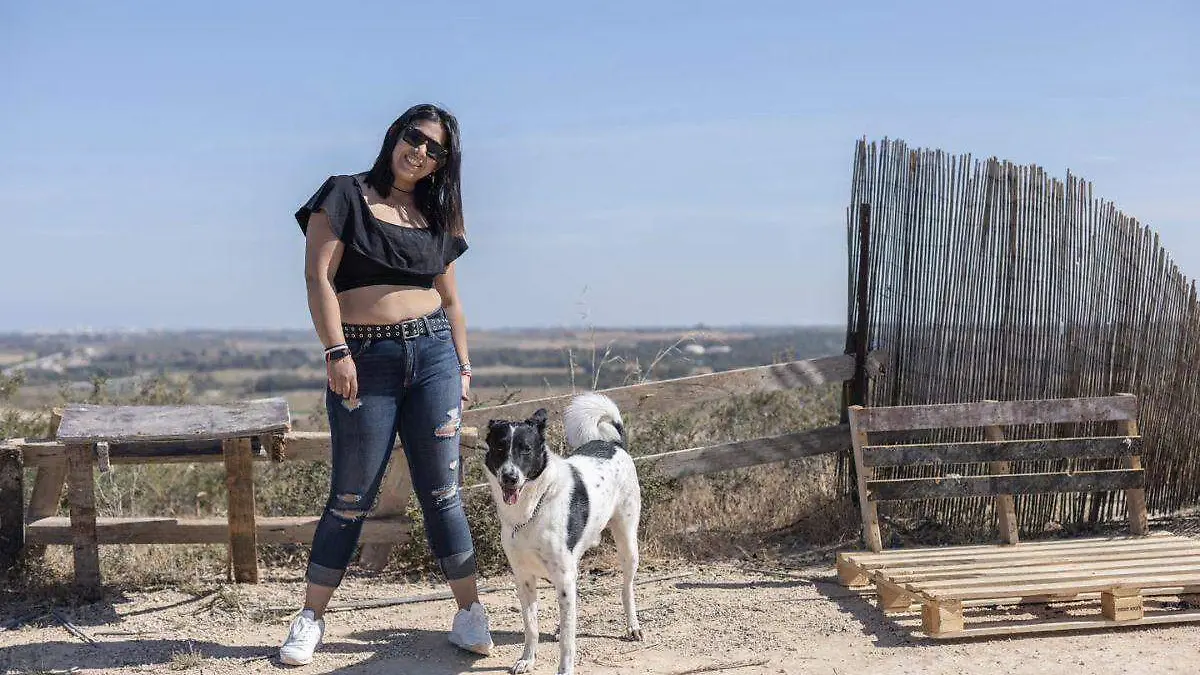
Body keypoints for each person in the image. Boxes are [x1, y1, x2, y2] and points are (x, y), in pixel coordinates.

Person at [279, 103, 491, 666]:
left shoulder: (435, 215)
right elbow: (318, 277)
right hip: (363, 358)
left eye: (434, 149)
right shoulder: (343, 195)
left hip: (435, 357)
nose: (419, 152)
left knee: (443, 493)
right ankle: (310, 618)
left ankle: (470, 613)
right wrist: (336, 350)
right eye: (414, 138)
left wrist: (463, 367)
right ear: (395, 135)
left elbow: (451, 301)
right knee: (351, 495)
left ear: (442, 163)